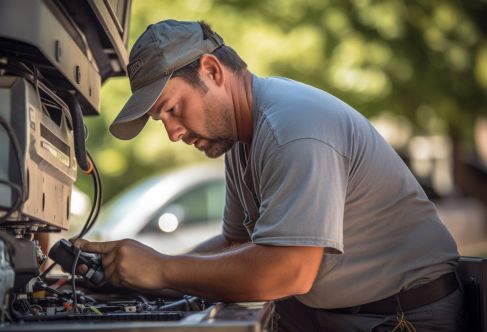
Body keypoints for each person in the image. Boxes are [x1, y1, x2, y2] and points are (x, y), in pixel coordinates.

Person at [74, 19, 463, 331]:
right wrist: (139, 273)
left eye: (173, 109)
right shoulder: (242, 140)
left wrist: (160, 269)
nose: (173, 133)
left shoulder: (291, 127)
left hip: (402, 316)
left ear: (211, 71)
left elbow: (288, 271)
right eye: (163, 120)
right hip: (335, 312)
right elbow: (235, 243)